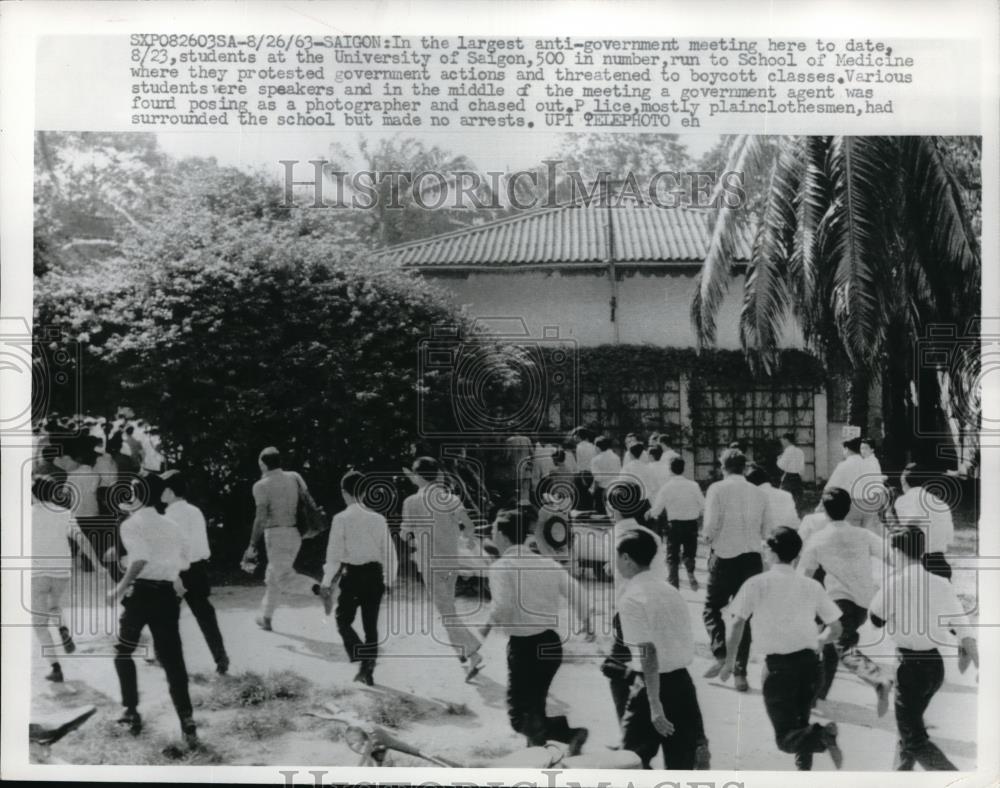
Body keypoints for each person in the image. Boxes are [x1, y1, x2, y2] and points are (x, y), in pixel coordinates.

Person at [721, 526, 844, 770]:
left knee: (785, 739)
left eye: (766, 547)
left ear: (773, 552)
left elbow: (737, 622)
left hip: (779, 670)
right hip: (811, 666)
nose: (763, 551)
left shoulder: (757, 583)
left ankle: (823, 735)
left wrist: (729, 662)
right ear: (796, 555)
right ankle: (804, 770)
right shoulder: (811, 585)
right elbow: (837, 629)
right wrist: (819, 641)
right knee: (802, 725)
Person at [480, 505, 591, 754]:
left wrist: (481, 634)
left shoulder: (501, 567)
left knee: (519, 717)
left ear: (501, 534)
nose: (492, 534)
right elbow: (579, 593)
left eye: (494, 530)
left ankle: (568, 733)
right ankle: (538, 753)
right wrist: (587, 621)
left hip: (525, 647)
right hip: (551, 645)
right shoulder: (546, 563)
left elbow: (502, 606)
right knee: (534, 707)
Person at [869, 526, 978, 770]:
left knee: (914, 738)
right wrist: (981, 666)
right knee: (909, 727)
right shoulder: (941, 583)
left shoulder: (894, 583)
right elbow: (965, 631)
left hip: (909, 669)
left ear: (897, 552)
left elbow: (875, 620)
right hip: (934, 668)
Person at [110, 473, 198, 749]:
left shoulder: (131, 524)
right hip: (167, 594)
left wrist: (119, 588)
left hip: (141, 594)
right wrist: (166, 565)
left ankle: (131, 710)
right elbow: (185, 562)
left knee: (123, 651)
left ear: (136, 496)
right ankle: (187, 720)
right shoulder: (172, 525)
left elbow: (139, 558)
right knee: (173, 659)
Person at [616, 528, 710, 770]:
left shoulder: (631, 598)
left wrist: (655, 705)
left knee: (628, 764)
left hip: (651, 688)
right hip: (683, 685)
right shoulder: (671, 591)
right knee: (681, 767)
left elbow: (649, 652)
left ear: (626, 558)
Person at [797, 488, 894, 714]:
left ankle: (877, 679)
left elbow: (804, 578)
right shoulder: (863, 535)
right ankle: (816, 695)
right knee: (831, 645)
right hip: (863, 604)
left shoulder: (818, 539)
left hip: (838, 602)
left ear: (824, 509)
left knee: (841, 645)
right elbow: (891, 557)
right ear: (849, 508)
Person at [400, 457, 484, 681]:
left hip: (429, 561)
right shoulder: (450, 498)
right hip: (450, 560)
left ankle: (472, 652)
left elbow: (405, 533)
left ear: (417, 477)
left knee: (445, 610)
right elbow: (469, 526)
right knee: (447, 608)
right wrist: (466, 540)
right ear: (437, 474)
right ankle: (463, 655)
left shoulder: (411, 502)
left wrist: (413, 540)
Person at [320, 469, 398, 686]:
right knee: (370, 625)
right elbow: (390, 553)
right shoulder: (378, 519)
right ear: (364, 493)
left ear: (344, 493)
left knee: (342, 620)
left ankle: (362, 657)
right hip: (374, 575)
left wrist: (326, 582)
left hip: (352, 575)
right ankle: (368, 668)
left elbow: (333, 556)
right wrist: (389, 580)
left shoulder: (341, 519)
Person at [31, 475, 110, 682]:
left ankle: (55, 667)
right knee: (54, 605)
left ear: (34, 493)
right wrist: (97, 564)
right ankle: (63, 628)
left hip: (36, 573)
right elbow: (81, 540)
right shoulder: (65, 513)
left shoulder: (26, 514)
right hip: (62, 572)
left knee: (39, 624)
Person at [701, 449, 767, 691]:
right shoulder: (758, 492)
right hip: (751, 558)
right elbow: (766, 528)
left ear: (723, 466)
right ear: (744, 468)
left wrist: (707, 538)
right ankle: (740, 672)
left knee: (711, 608)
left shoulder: (717, 489)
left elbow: (709, 526)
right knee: (743, 616)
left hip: (725, 556)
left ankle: (720, 654)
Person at [603, 481, 667, 723]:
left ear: (612, 508)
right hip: (655, 603)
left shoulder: (614, 536)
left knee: (615, 667)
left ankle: (627, 728)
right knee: (655, 663)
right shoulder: (651, 535)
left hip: (628, 608)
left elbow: (617, 571)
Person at [161, 470, 229, 675]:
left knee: (164, 617)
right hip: (198, 568)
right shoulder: (195, 511)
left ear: (171, 492)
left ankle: (167, 659)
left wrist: (175, 577)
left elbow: (171, 548)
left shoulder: (170, 515)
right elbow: (200, 545)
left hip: (178, 571)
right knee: (205, 615)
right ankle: (220, 657)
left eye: (162, 489)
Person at [242, 447, 313, 631]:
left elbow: (261, 517)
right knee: (272, 576)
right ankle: (266, 617)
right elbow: (308, 502)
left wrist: (251, 544)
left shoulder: (261, 485)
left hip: (276, 535)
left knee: (283, 578)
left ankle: (320, 589)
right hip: (296, 533)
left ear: (263, 464)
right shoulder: (295, 477)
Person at [648, 457, 705, 590]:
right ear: (683, 469)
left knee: (672, 555)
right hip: (691, 524)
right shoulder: (693, 485)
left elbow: (657, 509)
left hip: (674, 525)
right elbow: (703, 505)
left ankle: (674, 584)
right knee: (690, 552)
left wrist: (650, 513)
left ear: (670, 470)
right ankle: (690, 571)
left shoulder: (667, 487)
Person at [892, 464, 955, 580]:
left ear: (903, 479)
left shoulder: (903, 500)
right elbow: (949, 540)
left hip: (920, 564)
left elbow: (909, 534)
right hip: (941, 564)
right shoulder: (941, 504)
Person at [825, 437, 878, 531]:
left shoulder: (844, 465)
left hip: (852, 505)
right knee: (866, 535)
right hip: (870, 505)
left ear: (846, 449)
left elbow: (830, 487)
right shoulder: (869, 463)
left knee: (852, 534)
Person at [746, 465, 799, 533]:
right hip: (786, 538)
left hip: (764, 540)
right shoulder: (786, 495)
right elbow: (795, 525)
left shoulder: (750, 498)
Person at [590, 436, 621, 516]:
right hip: (615, 489)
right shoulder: (616, 457)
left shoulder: (595, 460)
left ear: (598, 447)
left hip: (602, 489)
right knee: (613, 515)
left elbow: (597, 478)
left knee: (601, 515)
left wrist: (593, 489)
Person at [776, 433, 805, 509]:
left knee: (784, 500)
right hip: (798, 478)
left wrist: (779, 459)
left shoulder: (788, 451)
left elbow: (781, 465)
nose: (782, 443)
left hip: (789, 478)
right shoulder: (800, 451)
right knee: (797, 501)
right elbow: (802, 468)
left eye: (782, 440)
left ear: (786, 440)